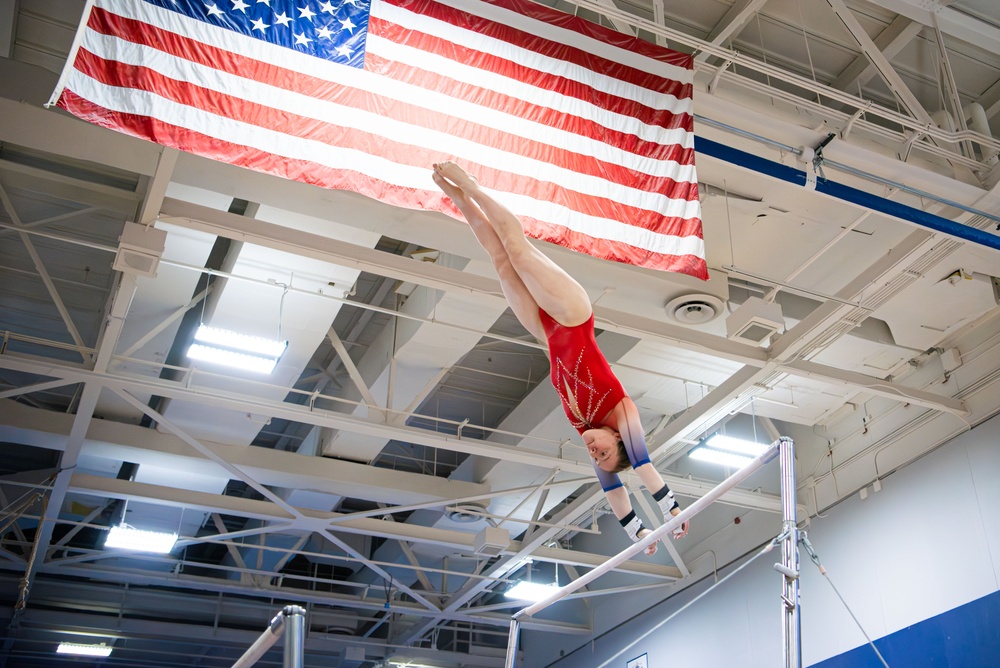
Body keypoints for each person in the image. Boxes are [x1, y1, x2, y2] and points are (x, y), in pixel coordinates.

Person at [432, 161, 688, 554]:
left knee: (501, 262)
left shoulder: (583, 423)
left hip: (546, 332)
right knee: (517, 251)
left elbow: (612, 486)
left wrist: (635, 532)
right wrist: (672, 510)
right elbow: (641, 466)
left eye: (594, 456)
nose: (594, 451)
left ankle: (459, 199)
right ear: (619, 438)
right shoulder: (622, 414)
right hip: (572, 315)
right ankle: (472, 186)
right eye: (604, 451)